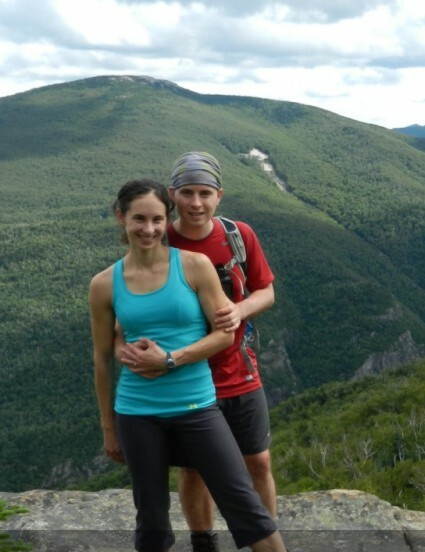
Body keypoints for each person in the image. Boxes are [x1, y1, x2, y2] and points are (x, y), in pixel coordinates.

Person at [90, 179, 286, 552]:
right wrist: (108, 427)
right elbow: (101, 357)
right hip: (136, 411)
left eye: (157, 219)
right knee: (150, 515)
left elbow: (224, 334)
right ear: (121, 218)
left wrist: (168, 359)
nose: (149, 229)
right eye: (139, 219)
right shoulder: (104, 284)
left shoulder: (194, 266)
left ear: (168, 220)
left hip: (196, 405)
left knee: (243, 503)